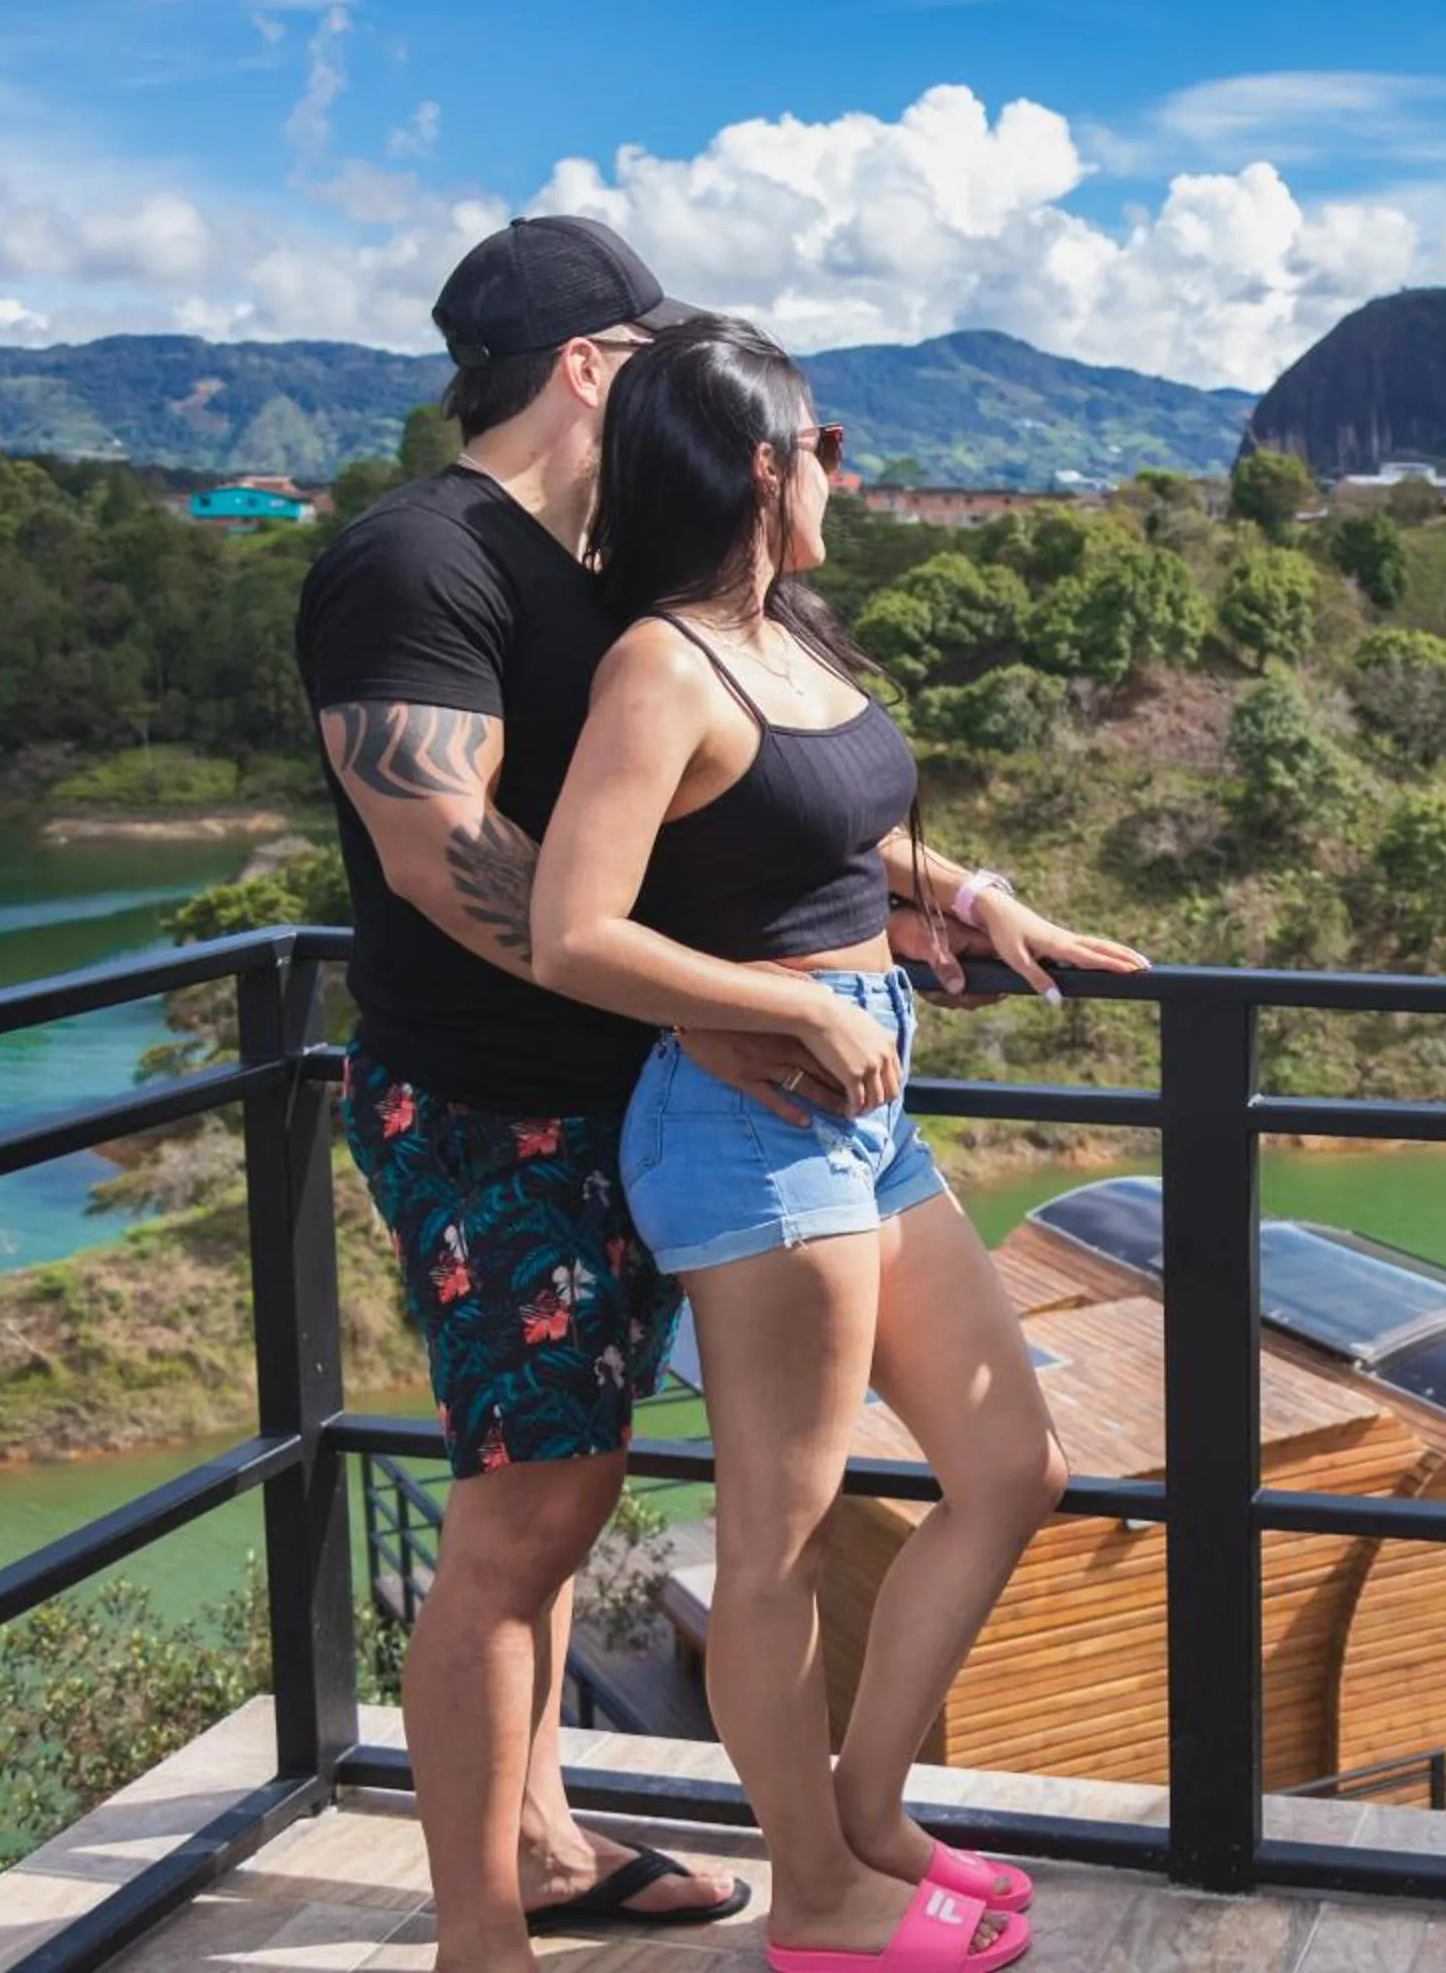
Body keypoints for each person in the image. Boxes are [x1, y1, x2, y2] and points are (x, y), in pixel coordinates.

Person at [297, 218, 1006, 1973]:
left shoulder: (613, 571)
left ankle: (545, 1847)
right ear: (587, 368)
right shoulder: (417, 559)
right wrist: (733, 1000)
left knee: (574, 1497)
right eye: (651, 355)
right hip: (492, 1106)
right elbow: (448, 852)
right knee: (529, 1512)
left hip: (650, 1083)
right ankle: (482, 1934)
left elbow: (739, 803)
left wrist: (942, 896)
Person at [526, 313, 1144, 1973]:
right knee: (777, 1546)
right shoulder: (661, 664)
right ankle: (814, 1897)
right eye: (826, 446)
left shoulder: (783, 632)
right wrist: (786, 1004)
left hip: (862, 1114)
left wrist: (979, 897)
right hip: (752, 1122)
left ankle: (869, 1816)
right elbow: (573, 926)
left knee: (1011, 1468)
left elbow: (828, 823)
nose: (842, 474)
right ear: (758, 466)